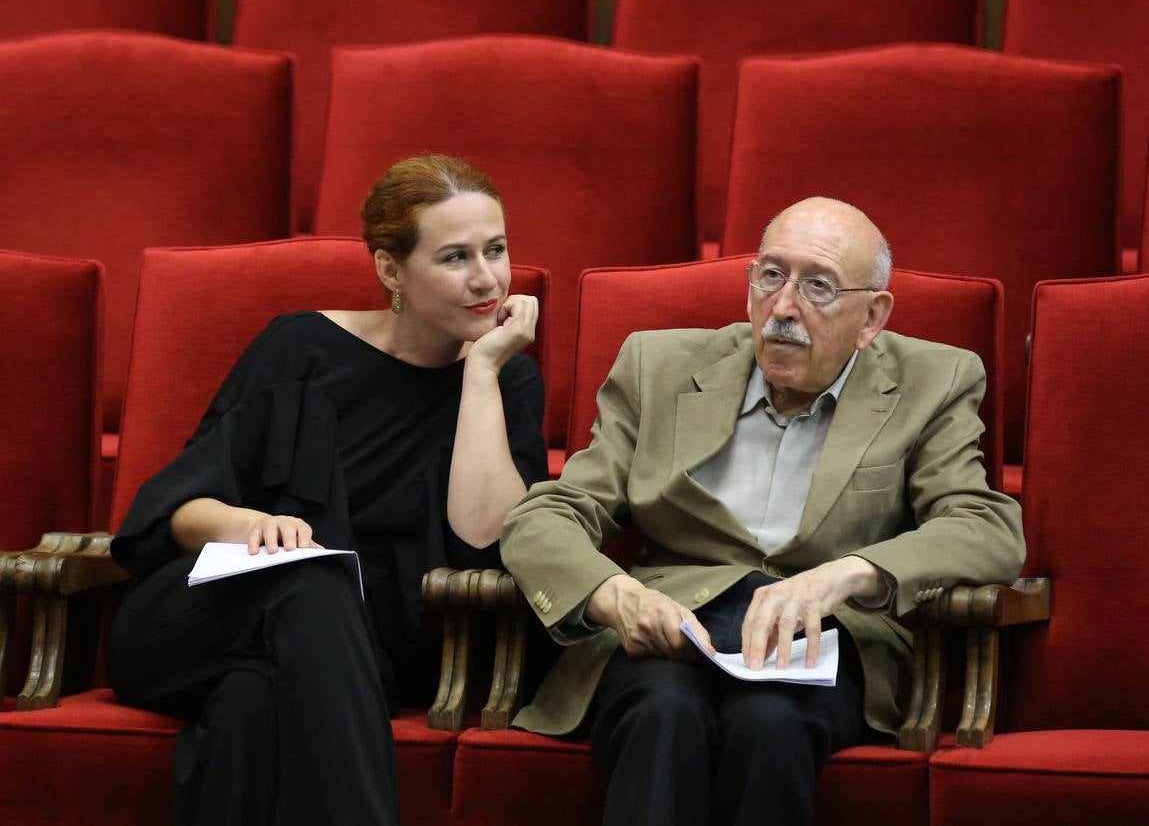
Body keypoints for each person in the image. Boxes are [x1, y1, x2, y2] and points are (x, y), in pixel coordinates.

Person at [500, 197, 1024, 825]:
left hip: (823, 641)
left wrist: (846, 574)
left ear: (872, 316)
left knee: (769, 721)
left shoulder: (934, 380)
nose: (783, 308)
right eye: (770, 275)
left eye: (818, 287)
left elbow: (984, 527)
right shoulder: (658, 365)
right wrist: (612, 594)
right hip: (672, 631)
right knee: (663, 712)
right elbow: (550, 512)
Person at [107, 153, 548, 826]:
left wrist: (483, 371)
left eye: (496, 250)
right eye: (455, 257)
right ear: (390, 270)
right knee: (311, 579)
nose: (486, 279)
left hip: (370, 652)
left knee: (250, 706)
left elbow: (485, 539)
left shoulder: (506, 380)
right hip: (208, 615)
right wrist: (244, 523)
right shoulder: (301, 347)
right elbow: (175, 506)